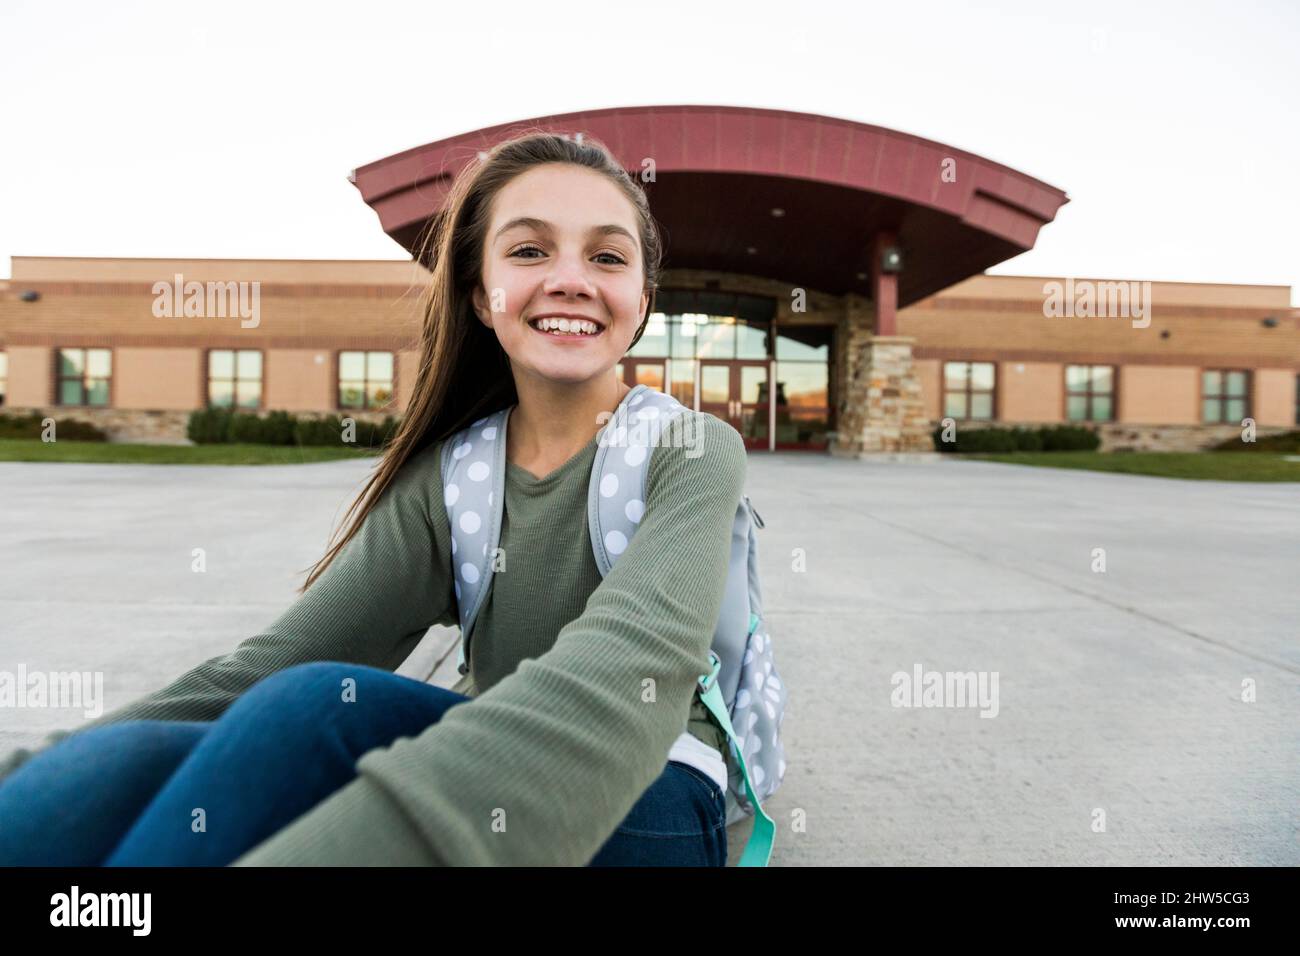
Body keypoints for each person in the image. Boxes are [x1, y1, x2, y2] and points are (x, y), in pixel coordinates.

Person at [0, 131, 747, 867]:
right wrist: (41, 775)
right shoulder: (459, 477)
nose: (572, 279)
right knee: (228, 730)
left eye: (607, 257)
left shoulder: (690, 451)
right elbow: (269, 669)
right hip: (482, 748)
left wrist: (387, 831)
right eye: (528, 250)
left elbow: (624, 674)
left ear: (640, 302)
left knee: (318, 708)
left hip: (655, 790)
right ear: (479, 298)